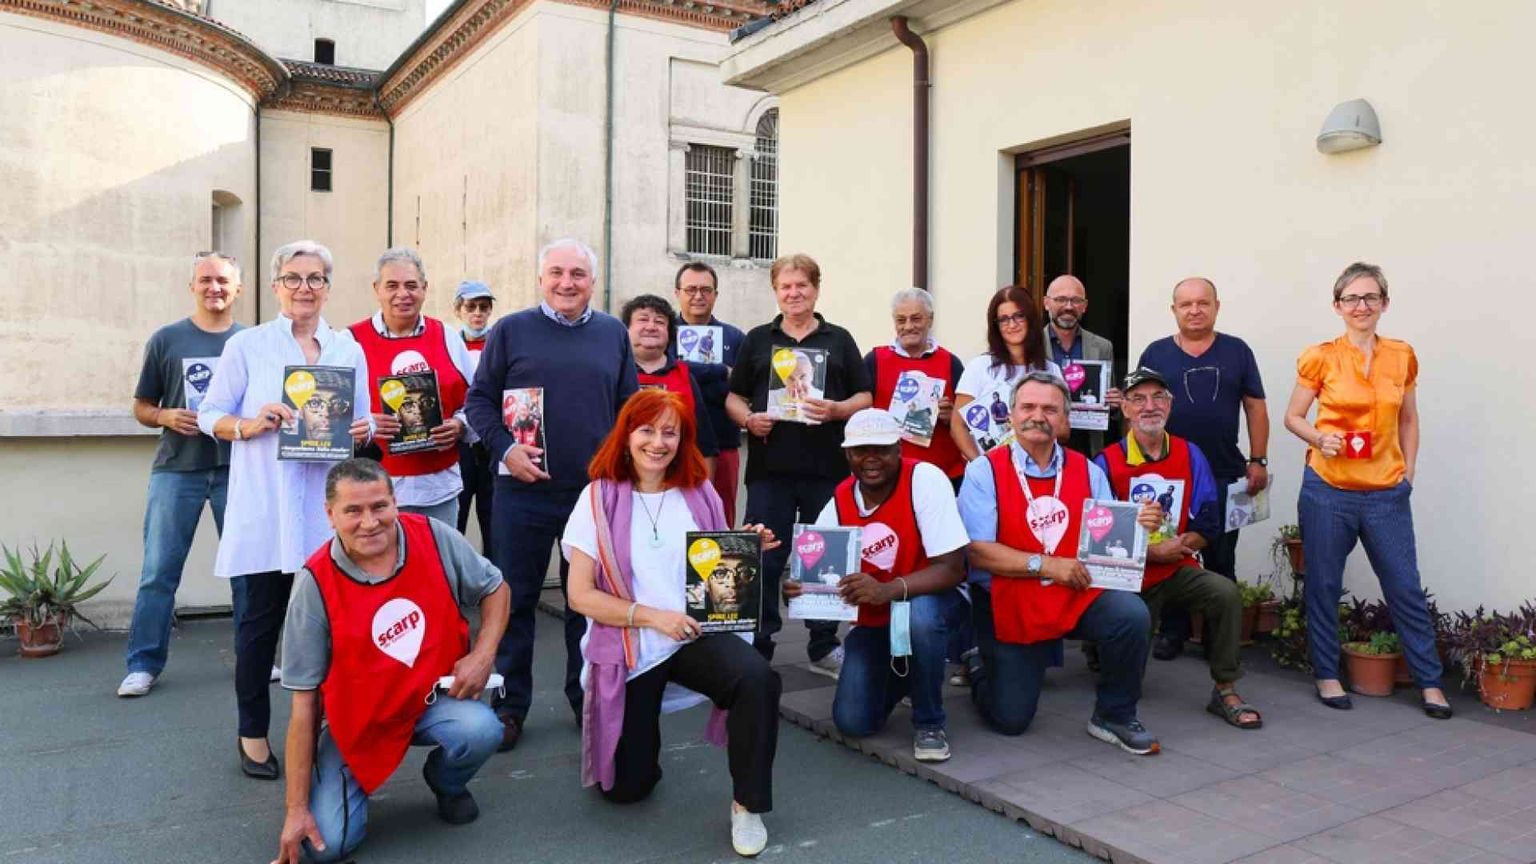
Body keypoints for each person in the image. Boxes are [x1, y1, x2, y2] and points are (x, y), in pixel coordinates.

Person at [564, 389, 782, 858]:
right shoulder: (598, 497)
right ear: (626, 436)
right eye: (646, 430)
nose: (658, 442)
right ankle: (638, 750)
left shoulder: (699, 491)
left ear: (683, 440)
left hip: (691, 634)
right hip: (631, 641)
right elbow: (579, 595)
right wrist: (653, 617)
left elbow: (712, 567)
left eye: (670, 432)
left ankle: (748, 805)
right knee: (627, 789)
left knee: (757, 678)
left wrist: (744, 547)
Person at [271, 459, 510, 863]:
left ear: (395, 503)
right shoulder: (313, 583)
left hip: (430, 701)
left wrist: (483, 654)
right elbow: (303, 704)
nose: (369, 522)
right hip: (357, 720)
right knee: (325, 848)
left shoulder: (433, 535)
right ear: (330, 514)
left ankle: (446, 782)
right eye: (353, 510)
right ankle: (342, 780)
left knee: (483, 728)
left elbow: (496, 587)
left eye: (379, 506)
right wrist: (295, 809)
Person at [196, 240, 372, 779]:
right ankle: (252, 734)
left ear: (328, 287)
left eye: (315, 278)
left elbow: (363, 426)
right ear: (275, 286)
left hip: (324, 516)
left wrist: (362, 429)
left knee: (332, 629)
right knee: (257, 629)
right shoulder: (248, 346)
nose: (304, 288)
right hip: (265, 511)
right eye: (293, 278)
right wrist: (249, 425)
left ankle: (329, 729)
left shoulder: (347, 350)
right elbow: (209, 413)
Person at [464, 238, 639, 751]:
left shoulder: (612, 333)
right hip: (520, 491)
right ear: (541, 279)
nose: (567, 283)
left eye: (578, 274)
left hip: (592, 495)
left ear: (592, 282)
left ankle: (586, 699)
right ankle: (510, 706)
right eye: (557, 273)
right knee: (513, 599)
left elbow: (629, 409)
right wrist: (505, 450)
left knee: (587, 603)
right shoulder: (510, 330)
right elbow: (479, 402)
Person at [957, 372, 1162, 753]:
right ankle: (980, 665)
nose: (1038, 416)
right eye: (1028, 407)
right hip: (1010, 597)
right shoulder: (984, 470)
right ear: (1011, 416)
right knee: (1011, 720)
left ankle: (1114, 715)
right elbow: (978, 551)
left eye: (1050, 409)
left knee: (1130, 615)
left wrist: (1140, 525)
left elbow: (1106, 540)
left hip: (1073, 591)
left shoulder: (1088, 470)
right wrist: (1048, 566)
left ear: (1065, 419)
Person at [1283, 262, 1451, 719]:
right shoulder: (1320, 356)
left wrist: (1407, 474)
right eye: (1352, 298)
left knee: (1404, 586)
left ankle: (1430, 682)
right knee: (1323, 584)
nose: (1361, 306)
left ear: (1384, 303)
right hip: (1328, 489)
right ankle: (1327, 674)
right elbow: (1293, 416)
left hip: (1385, 492)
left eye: (1370, 297)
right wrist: (1319, 438)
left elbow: (1409, 419)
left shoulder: (1402, 355)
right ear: (1337, 306)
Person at [785, 409, 967, 762]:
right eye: (860, 450)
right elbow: (815, 572)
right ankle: (908, 674)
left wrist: (887, 590)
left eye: (881, 449)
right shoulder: (840, 498)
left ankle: (929, 721)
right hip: (875, 619)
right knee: (853, 722)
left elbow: (952, 569)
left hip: (932, 603)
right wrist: (798, 589)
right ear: (847, 454)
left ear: (899, 449)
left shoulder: (924, 479)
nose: (871, 459)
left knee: (920, 616)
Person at [727, 253, 873, 675]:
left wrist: (837, 409)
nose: (794, 293)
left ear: (816, 289)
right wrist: (748, 420)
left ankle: (823, 645)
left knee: (824, 558)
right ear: (776, 291)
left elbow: (865, 395)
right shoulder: (758, 339)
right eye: (786, 286)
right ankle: (757, 646)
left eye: (802, 285)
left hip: (826, 469)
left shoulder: (838, 339)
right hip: (769, 471)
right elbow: (734, 396)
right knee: (764, 557)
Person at [1096, 368, 1261, 729]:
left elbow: (1209, 521)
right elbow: (1099, 534)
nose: (1149, 406)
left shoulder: (1190, 454)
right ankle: (1104, 661)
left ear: (1170, 405)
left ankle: (1225, 688)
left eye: (1158, 397)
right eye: (1138, 399)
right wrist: (1151, 552)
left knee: (1225, 593)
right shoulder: (1106, 462)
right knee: (1123, 676)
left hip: (1176, 566)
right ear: (1125, 408)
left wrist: (1182, 545)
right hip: (1127, 576)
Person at [118, 251, 247, 698]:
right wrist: (164, 416)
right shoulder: (167, 339)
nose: (214, 287)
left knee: (247, 571)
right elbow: (141, 407)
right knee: (159, 572)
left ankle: (254, 657)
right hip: (177, 470)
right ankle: (142, 665)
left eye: (223, 281)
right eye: (206, 279)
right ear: (192, 286)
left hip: (237, 471)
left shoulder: (250, 342)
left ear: (238, 289)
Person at [1137, 277, 1270, 660]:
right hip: (1169, 478)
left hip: (1225, 472)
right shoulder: (1155, 353)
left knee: (1221, 558)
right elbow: (1137, 404)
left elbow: (1255, 407)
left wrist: (1258, 459)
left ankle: (1218, 639)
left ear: (1216, 306)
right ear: (1174, 310)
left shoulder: (1237, 350)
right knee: (1171, 554)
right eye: (1186, 304)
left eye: (1202, 303)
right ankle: (1172, 632)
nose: (1194, 310)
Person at [349, 248, 474, 527]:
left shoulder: (447, 336)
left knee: (437, 554)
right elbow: (331, 417)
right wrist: (367, 425)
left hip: (439, 487)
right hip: (372, 492)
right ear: (376, 289)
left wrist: (460, 425)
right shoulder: (349, 341)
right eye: (392, 285)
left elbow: (477, 400)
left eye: (411, 285)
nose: (402, 294)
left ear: (425, 289)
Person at [864, 288, 967, 491]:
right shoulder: (874, 360)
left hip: (942, 475)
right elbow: (860, 411)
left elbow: (966, 421)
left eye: (916, 319)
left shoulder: (951, 363)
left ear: (930, 319)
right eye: (901, 320)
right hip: (888, 477)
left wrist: (952, 416)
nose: (908, 326)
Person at [951, 285, 1064, 460]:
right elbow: (957, 426)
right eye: (1003, 319)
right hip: (992, 467)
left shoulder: (1051, 370)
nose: (1012, 325)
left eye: (1019, 316)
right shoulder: (979, 367)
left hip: (1039, 467)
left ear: (1031, 319)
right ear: (995, 325)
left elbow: (1063, 428)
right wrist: (981, 466)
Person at [674, 262, 748, 523]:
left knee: (720, 517)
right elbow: (670, 370)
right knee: (676, 516)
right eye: (690, 289)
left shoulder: (735, 338)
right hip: (673, 446)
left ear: (716, 294)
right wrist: (720, 371)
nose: (698, 296)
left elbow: (745, 386)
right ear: (677, 293)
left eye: (706, 290)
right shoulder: (664, 333)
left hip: (723, 443)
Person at [621, 293, 719, 464]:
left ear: (669, 333)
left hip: (677, 473)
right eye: (643, 319)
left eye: (659, 322)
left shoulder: (685, 376)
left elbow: (705, 444)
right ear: (626, 329)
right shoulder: (613, 373)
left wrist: (706, 481)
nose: (651, 327)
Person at [1041, 275, 1121, 455]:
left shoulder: (1103, 347)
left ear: (1084, 306)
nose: (1069, 306)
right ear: (1046, 303)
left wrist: (1114, 403)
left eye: (1076, 300)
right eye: (1061, 299)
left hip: (1087, 446)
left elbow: (1109, 407)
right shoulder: (1031, 346)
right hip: (1043, 443)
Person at [454, 280, 497, 552]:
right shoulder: (449, 346)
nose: (477, 313)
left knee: (493, 520)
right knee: (455, 517)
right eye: (471, 307)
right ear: (459, 310)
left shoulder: (498, 345)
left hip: (491, 444)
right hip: (459, 446)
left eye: (483, 307)